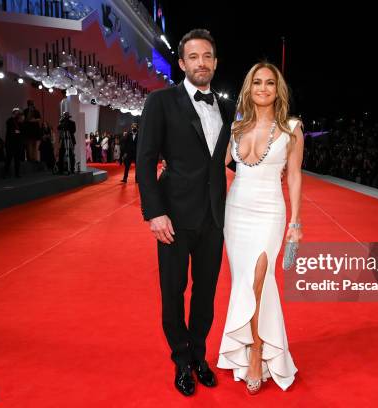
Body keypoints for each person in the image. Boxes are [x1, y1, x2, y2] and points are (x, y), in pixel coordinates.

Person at [136, 28, 235, 397]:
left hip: (213, 217)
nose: (201, 63)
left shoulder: (226, 105)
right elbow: (145, 160)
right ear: (181, 63)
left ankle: (198, 355)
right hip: (173, 217)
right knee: (174, 291)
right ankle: (180, 360)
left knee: (206, 293)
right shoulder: (161, 102)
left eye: (207, 56)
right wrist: (154, 213)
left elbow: (230, 158)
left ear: (215, 61)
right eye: (193, 57)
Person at [217, 62, 301, 394]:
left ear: (277, 89)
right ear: (248, 89)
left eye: (269, 82)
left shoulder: (292, 127)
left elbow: (294, 176)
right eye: (256, 83)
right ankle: (253, 346)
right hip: (235, 212)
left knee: (259, 277)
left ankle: (255, 354)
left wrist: (296, 221)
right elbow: (215, 165)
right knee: (244, 282)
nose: (263, 88)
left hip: (270, 210)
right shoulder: (236, 128)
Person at [4, 108, 25, 178]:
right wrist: (17, 132)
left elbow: (21, 132)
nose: (17, 113)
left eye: (18, 112)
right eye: (16, 112)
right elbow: (12, 132)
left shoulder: (20, 123)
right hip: (10, 143)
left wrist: (18, 132)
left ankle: (17, 173)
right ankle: (5, 173)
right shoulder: (10, 121)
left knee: (17, 159)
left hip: (18, 144)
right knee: (9, 159)